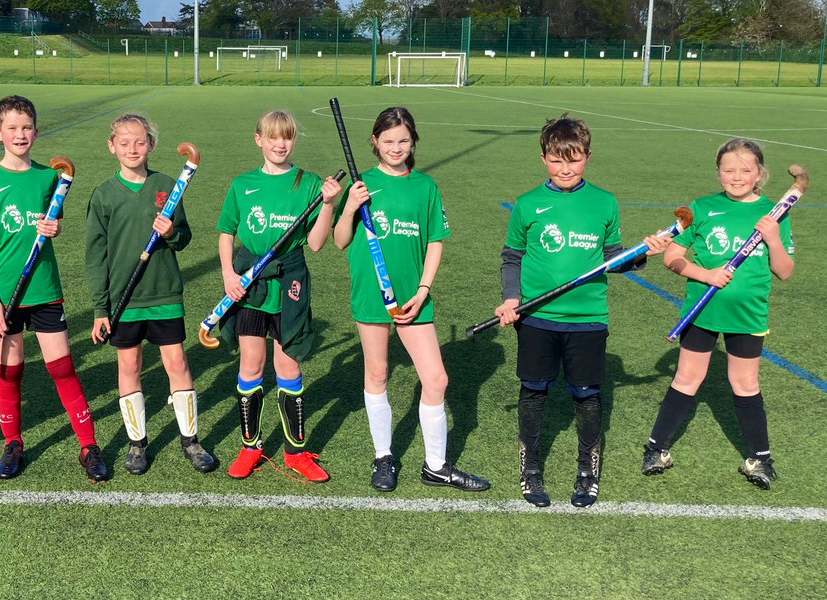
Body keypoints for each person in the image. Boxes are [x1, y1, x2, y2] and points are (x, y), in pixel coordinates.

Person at [493, 115, 670, 508]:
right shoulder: (527, 204)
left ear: (587, 156)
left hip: (588, 319)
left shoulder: (604, 202)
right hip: (537, 317)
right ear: (543, 159)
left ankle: (586, 473)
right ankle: (531, 469)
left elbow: (612, 258)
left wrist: (640, 256)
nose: (566, 169)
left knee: (587, 395)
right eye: (557, 161)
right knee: (534, 391)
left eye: (573, 160)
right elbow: (512, 258)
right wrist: (510, 298)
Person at [334, 107, 489, 493]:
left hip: (413, 298)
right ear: (374, 142)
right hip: (372, 294)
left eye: (403, 140)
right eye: (388, 141)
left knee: (436, 378)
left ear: (413, 141)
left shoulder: (425, 186)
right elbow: (339, 241)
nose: (396, 147)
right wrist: (351, 206)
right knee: (378, 373)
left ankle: (436, 465)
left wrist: (423, 291)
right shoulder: (362, 184)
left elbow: (434, 242)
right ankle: (383, 456)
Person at [0, 95, 108, 483]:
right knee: (10, 371)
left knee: (62, 369)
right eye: (12, 128)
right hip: (6, 296)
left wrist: (55, 228)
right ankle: (12, 442)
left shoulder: (50, 178)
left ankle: (88, 445)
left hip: (44, 288)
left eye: (27, 127)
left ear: (37, 131)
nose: (20, 134)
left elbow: (53, 223)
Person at [642, 138, 795, 490]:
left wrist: (772, 237)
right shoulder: (702, 207)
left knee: (745, 384)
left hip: (748, 314)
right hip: (702, 309)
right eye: (729, 170)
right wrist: (706, 274)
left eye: (745, 170)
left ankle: (760, 458)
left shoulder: (775, 214)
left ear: (759, 173)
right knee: (686, 378)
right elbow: (671, 257)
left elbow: (785, 271)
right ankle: (656, 448)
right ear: (718, 173)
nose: (736, 176)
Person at [85, 114, 216, 475]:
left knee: (177, 364)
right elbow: (95, 255)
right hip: (123, 298)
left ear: (151, 145)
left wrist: (171, 231)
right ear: (112, 146)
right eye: (124, 143)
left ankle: (191, 440)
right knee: (129, 366)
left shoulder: (166, 185)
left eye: (139, 142)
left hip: (163, 292)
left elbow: (184, 238)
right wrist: (100, 307)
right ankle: (137, 443)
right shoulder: (103, 194)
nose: (132, 149)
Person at [216, 109, 342, 482]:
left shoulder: (309, 183)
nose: (279, 144)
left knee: (288, 367)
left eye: (286, 137)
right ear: (259, 140)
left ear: (293, 140)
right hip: (251, 284)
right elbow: (226, 232)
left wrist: (329, 203)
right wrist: (228, 274)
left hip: (290, 282)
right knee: (251, 366)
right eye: (272, 137)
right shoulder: (243, 184)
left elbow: (317, 244)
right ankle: (250, 447)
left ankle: (296, 453)